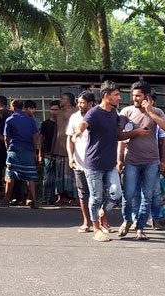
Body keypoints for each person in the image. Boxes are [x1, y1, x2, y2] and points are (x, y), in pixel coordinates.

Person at [72, 81, 148, 242]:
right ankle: (96, 230)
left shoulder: (113, 113)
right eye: (116, 95)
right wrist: (78, 132)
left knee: (116, 193)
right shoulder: (94, 112)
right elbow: (84, 123)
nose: (120, 98)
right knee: (96, 197)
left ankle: (103, 214)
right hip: (93, 165)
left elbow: (118, 136)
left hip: (109, 164)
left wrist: (135, 132)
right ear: (106, 96)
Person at [116, 81, 165, 240]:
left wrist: (150, 112)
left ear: (146, 96)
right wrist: (119, 159)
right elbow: (119, 136)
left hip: (152, 161)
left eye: (138, 96)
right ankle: (127, 222)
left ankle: (140, 227)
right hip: (131, 160)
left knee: (148, 196)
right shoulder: (126, 112)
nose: (135, 99)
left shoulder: (157, 112)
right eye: (133, 96)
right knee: (129, 194)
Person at [0, 99, 39, 208]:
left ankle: (6, 199)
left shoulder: (10, 120)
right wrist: (34, 150)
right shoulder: (30, 120)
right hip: (27, 150)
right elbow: (35, 137)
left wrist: (7, 149)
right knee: (30, 176)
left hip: (14, 150)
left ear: (13, 107)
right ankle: (34, 201)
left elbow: (6, 138)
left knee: (10, 175)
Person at [66, 91, 95, 233]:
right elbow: (69, 139)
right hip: (79, 162)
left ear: (91, 104)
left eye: (82, 102)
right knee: (83, 193)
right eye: (78, 102)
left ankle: (101, 220)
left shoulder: (98, 116)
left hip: (96, 162)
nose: (79, 105)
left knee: (98, 193)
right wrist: (70, 157)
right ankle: (86, 221)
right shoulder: (74, 118)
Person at [51, 92, 78, 205]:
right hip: (59, 147)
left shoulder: (76, 113)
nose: (60, 100)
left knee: (73, 174)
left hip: (73, 148)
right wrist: (52, 148)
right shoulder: (59, 113)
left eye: (62, 98)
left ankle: (75, 197)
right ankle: (61, 197)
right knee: (59, 174)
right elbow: (56, 131)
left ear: (68, 101)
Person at [40, 101, 59, 204]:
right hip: (47, 154)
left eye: (56, 110)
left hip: (59, 154)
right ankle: (46, 198)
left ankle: (56, 198)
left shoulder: (62, 124)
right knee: (47, 177)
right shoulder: (45, 124)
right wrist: (39, 154)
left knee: (57, 178)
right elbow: (41, 139)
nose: (53, 112)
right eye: (52, 109)